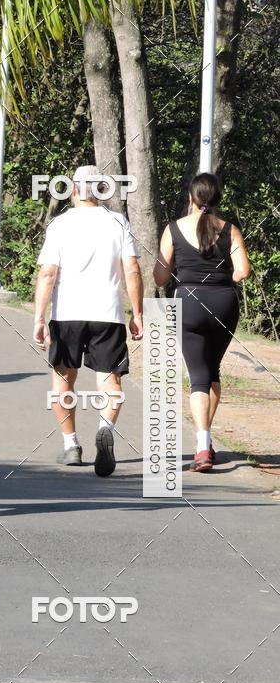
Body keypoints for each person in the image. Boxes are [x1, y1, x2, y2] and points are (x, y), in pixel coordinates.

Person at [34, 165, 143, 476]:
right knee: (110, 379)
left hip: (66, 313)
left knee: (63, 379)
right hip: (107, 314)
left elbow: (48, 273)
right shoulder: (117, 222)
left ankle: (71, 445)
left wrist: (40, 318)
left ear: (73, 191)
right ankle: (105, 428)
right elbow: (132, 270)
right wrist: (137, 314)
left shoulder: (59, 224)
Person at [154, 172, 251, 472]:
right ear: (217, 198)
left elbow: (159, 276)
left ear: (190, 198)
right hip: (223, 303)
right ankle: (205, 440)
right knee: (213, 371)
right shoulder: (230, 230)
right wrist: (225, 279)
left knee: (198, 375)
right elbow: (243, 272)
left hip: (188, 303)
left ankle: (201, 447)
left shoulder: (173, 229)